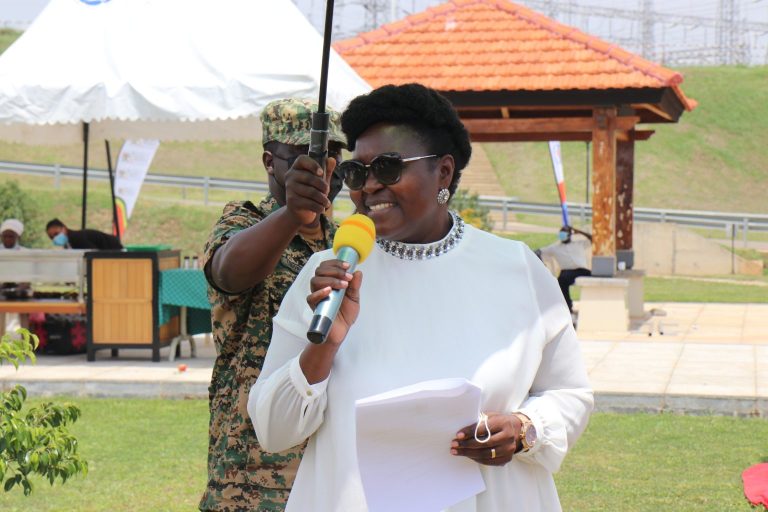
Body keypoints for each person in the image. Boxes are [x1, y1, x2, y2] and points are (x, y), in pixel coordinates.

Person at [249, 84, 594, 511]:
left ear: (443, 172)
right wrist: (324, 347)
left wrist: (525, 429)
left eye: (388, 168)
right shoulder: (327, 275)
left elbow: (569, 393)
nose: (368, 186)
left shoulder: (517, 268)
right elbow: (273, 430)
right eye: (357, 172)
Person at [199, 98, 346, 512]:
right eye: (304, 155)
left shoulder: (347, 241)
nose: (323, 167)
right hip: (253, 473)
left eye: (334, 154)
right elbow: (228, 272)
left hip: (328, 457)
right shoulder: (243, 222)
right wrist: (292, 215)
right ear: (270, 162)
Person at [537, 225, 592, 313]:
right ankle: (568, 306)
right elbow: (539, 251)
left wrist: (579, 231)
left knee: (595, 277)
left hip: (582, 270)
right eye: (561, 232)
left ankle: (592, 305)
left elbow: (593, 239)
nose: (562, 234)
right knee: (561, 281)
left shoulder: (579, 244)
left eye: (565, 232)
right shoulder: (555, 248)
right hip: (567, 272)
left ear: (570, 234)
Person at [45, 218, 123, 250]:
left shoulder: (76, 238)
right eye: (51, 237)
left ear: (64, 228)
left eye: (56, 234)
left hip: (114, 250)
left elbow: (93, 255)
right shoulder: (68, 244)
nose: (55, 238)